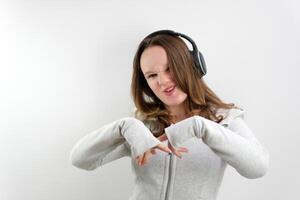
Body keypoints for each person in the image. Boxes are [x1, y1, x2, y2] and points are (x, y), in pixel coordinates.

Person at [69, 30, 270, 200]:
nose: (163, 81)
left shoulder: (223, 119)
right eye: (152, 75)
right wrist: (124, 126)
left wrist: (201, 127)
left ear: (191, 65)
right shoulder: (143, 124)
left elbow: (258, 167)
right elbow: (81, 159)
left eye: (169, 68)